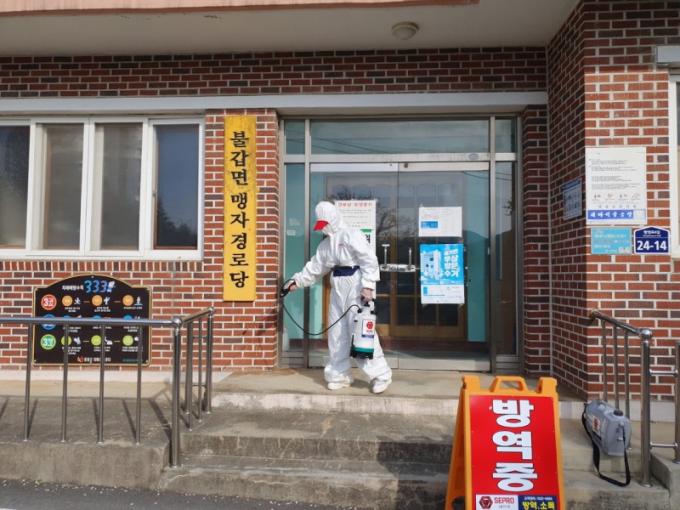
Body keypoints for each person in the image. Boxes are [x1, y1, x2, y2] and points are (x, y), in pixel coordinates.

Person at [285, 201, 392, 394]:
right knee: (337, 334)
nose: (324, 228)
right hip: (338, 288)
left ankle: (380, 375)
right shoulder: (325, 245)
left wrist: (368, 286)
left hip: (356, 286)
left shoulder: (352, 235)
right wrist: (296, 281)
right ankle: (339, 375)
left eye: (326, 224)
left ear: (334, 218)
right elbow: (315, 267)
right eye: (321, 225)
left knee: (361, 333)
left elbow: (369, 259)